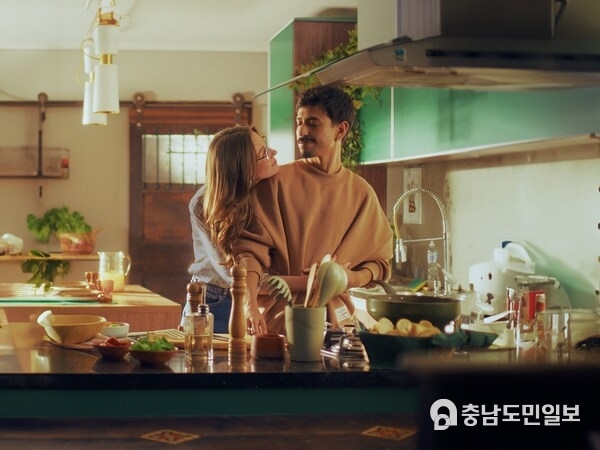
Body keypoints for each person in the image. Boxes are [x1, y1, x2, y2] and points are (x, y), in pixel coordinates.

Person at [235, 85, 393, 335]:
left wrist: (348, 278)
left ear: (340, 130)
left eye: (312, 123)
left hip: (337, 328)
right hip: (275, 327)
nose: (302, 131)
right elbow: (248, 254)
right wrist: (248, 303)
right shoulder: (274, 184)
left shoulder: (362, 193)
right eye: (299, 122)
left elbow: (379, 264)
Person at [179, 125, 280, 332]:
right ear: (244, 169)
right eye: (264, 154)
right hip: (214, 302)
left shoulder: (268, 190)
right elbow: (235, 275)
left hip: (258, 299)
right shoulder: (204, 204)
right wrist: (306, 283)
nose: (274, 153)